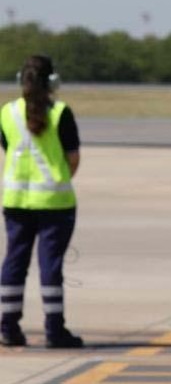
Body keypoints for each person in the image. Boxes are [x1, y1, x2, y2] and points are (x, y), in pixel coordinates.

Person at [1, 55, 84, 348]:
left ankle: (8, 327)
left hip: (15, 201)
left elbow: (8, 148)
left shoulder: (7, 112)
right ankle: (54, 329)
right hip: (54, 202)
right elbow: (72, 159)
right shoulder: (60, 113)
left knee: (14, 261)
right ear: (53, 83)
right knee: (50, 266)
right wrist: (58, 179)